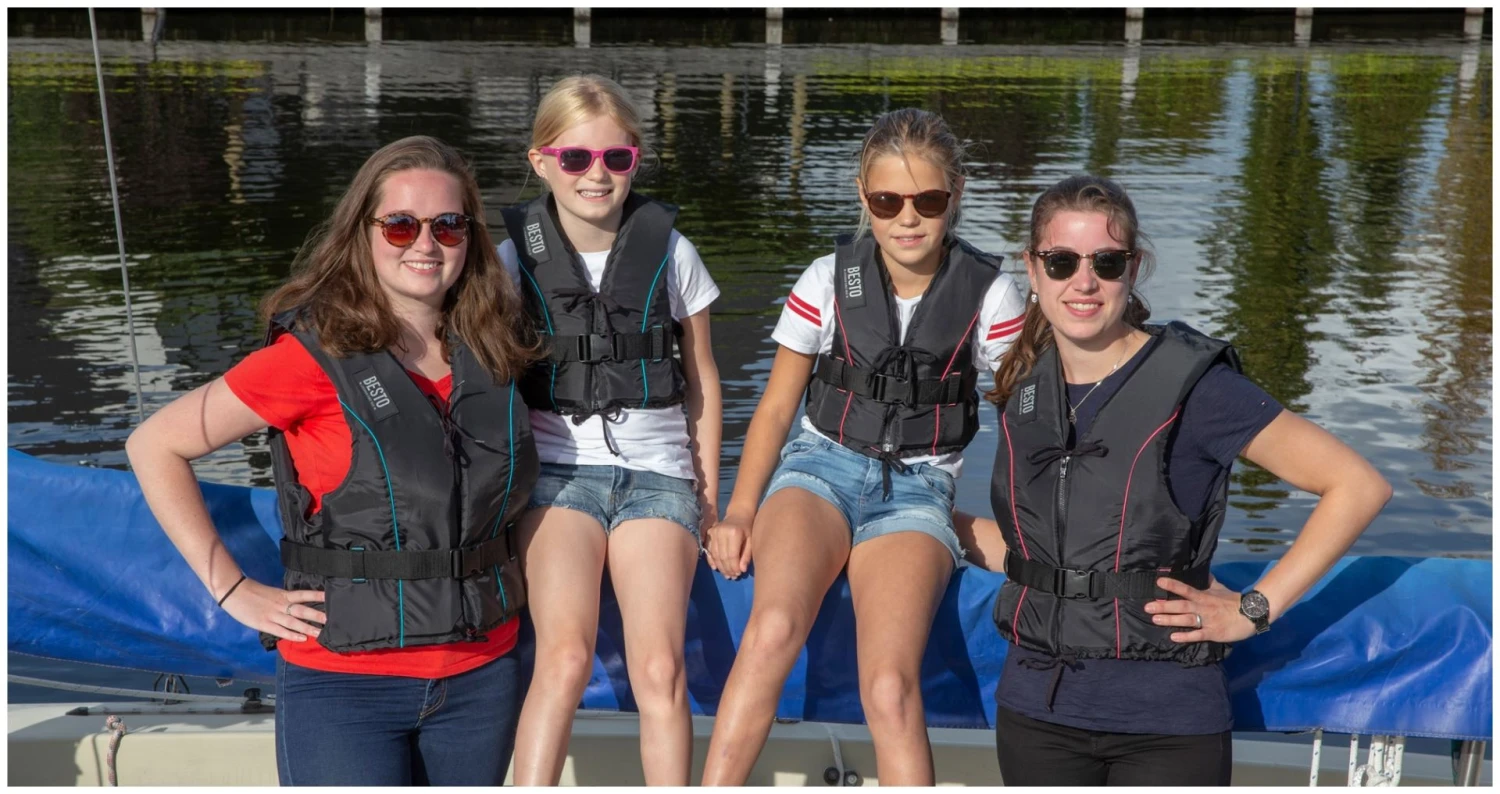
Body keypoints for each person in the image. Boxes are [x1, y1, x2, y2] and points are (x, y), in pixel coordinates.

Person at [125, 136, 540, 786]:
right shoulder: (307, 361)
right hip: (345, 687)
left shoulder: (497, 351)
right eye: (400, 225)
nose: (425, 244)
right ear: (362, 233)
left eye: (447, 225)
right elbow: (155, 445)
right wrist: (233, 590)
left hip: (483, 678)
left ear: (470, 236)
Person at [967, 174, 1392, 786]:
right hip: (1037, 715)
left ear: (1133, 269)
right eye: (1061, 262)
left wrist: (1254, 609)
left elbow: (1357, 485)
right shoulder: (1024, 389)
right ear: (1032, 270)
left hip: (1165, 723)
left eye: (1106, 262)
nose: (1083, 282)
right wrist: (913, 516)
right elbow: (1035, 554)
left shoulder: (1199, 389)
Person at [700, 108, 1027, 786]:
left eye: (927, 201)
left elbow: (1028, 427)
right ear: (863, 198)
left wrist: (1030, 534)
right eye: (887, 201)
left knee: (888, 685)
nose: (908, 218)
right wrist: (739, 510)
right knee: (772, 630)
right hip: (817, 473)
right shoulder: (826, 278)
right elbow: (776, 409)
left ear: (956, 195)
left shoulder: (992, 295)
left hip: (918, 493)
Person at [498, 74, 722, 786]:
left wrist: (709, 499)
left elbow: (703, 382)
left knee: (659, 666)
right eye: (575, 158)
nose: (596, 175)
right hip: (556, 481)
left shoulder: (674, 253)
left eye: (615, 158)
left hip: (658, 481)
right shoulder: (509, 262)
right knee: (564, 657)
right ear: (541, 162)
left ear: (635, 161)